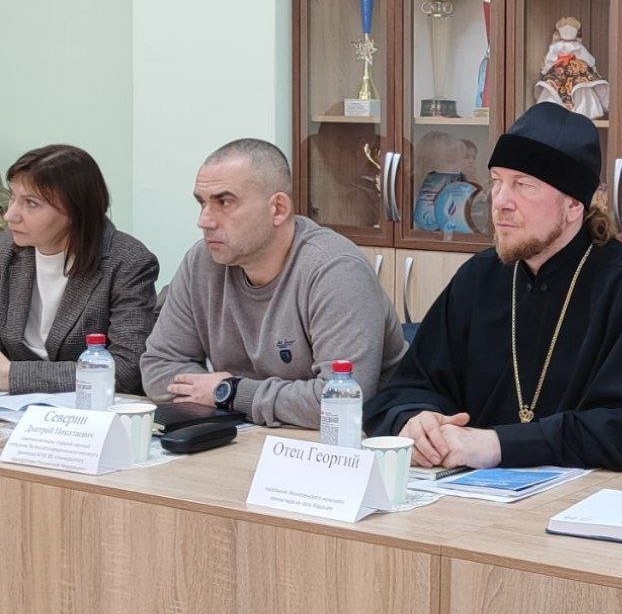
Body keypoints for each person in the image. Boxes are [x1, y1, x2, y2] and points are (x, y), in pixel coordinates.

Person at [364, 102, 622, 472]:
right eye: (497, 181)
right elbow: (408, 388)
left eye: (523, 185)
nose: (500, 202)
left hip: (590, 499)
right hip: (473, 499)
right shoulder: (478, 279)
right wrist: (417, 420)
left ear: (573, 205)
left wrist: (500, 445)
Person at [140, 138, 406, 428]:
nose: (204, 220)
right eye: (202, 202)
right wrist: (227, 397)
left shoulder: (335, 269)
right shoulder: (202, 262)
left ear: (278, 209)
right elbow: (158, 367)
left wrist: (228, 392)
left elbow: (339, 401)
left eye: (224, 202)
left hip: (352, 441)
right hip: (253, 434)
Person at [0, 145, 158, 394]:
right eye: (13, 197)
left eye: (31, 203)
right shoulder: (5, 250)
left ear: (76, 211)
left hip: (92, 409)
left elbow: (125, 370)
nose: (10, 215)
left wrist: (14, 376)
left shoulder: (126, 261)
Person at [534, 16, 609, 119]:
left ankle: (579, 110)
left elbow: (551, 58)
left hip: (570, 68)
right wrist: (592, 67)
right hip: (566, 68)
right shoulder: (574, 46)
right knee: (567, 88)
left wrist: (546, 68)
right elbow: (587, 58)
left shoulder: (561, 45)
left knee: (578, 87)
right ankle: (572, 110)